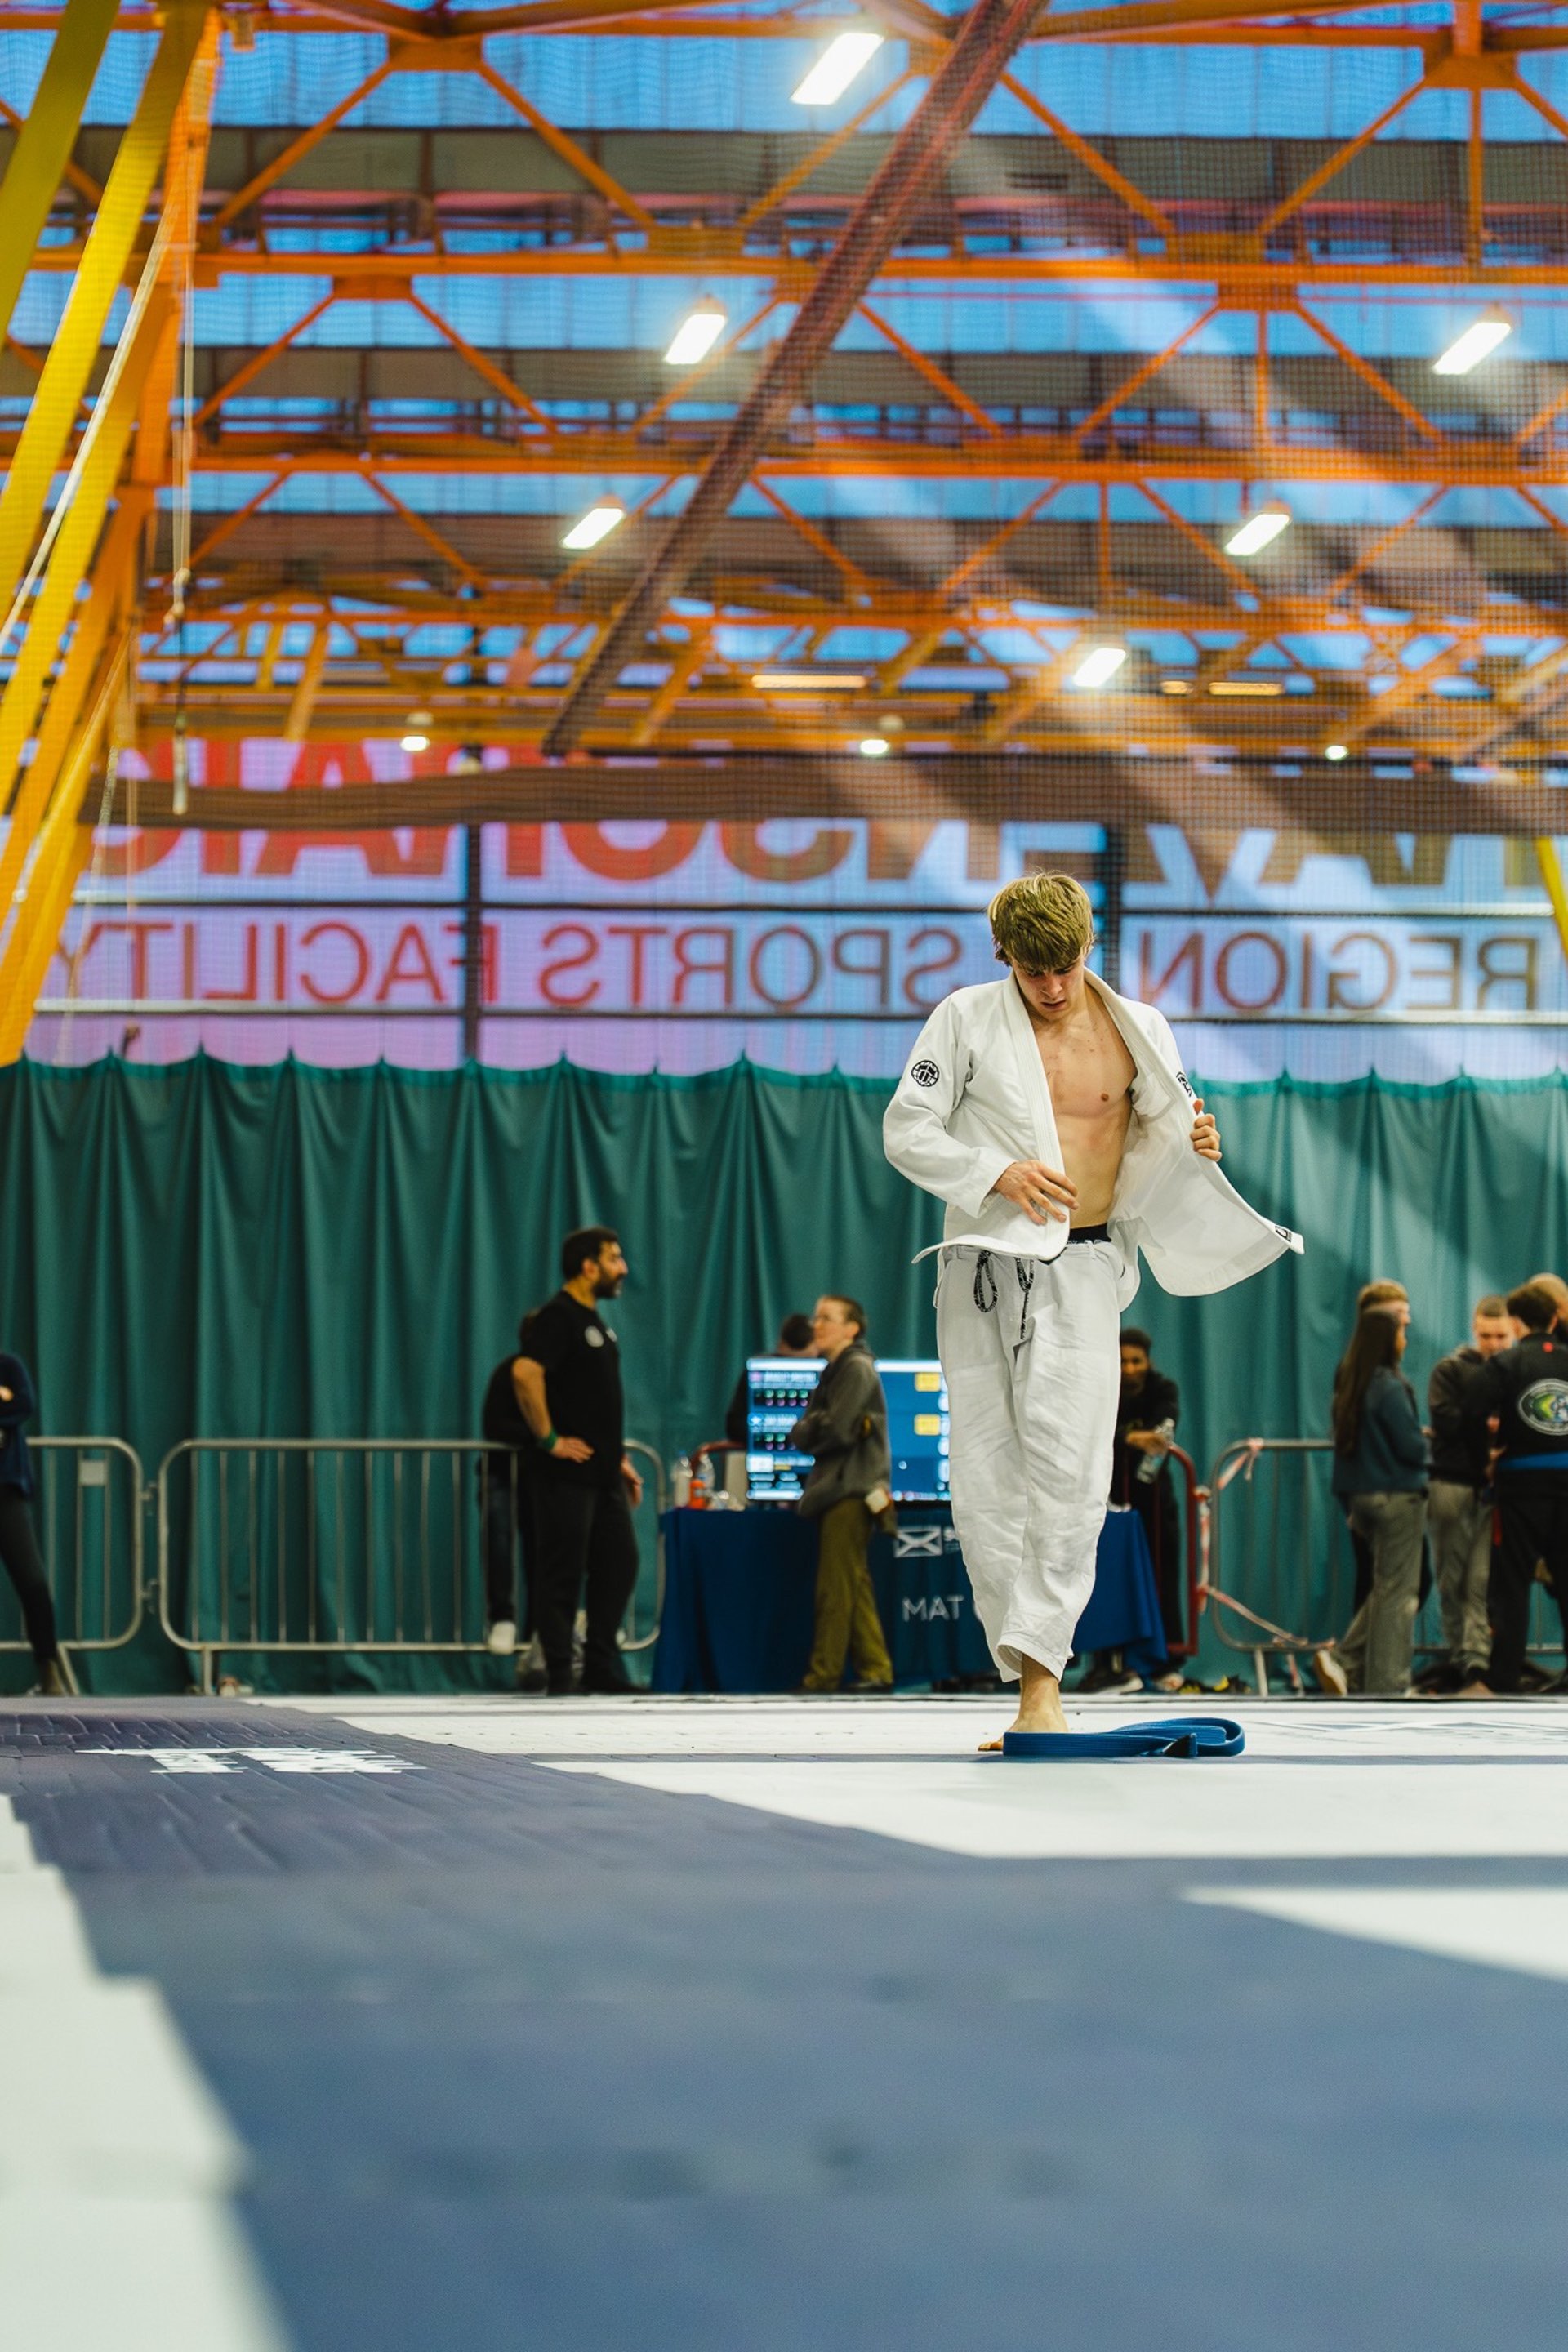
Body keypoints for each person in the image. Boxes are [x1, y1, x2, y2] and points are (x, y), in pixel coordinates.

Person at [883, 871, 1301, 1748]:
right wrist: (994, 1171)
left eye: (1065, 965)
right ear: (1005, 957)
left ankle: (1044, 1684)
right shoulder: (963, 1018)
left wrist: (1197, 1143)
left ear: (1088, 949)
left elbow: (1166, 1127)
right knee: (984, 1473)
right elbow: (907, 1128)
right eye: (1034, 970)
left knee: (1070, 1475)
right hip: (982, 1266)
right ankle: (1022, 1674)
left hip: (1082, 1266)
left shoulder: (1139, 1027)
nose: (1052, 986)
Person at [512, 1227, 644, 1697]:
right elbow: (525, 1372)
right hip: (565, 1474)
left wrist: (620, 1458)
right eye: (615, 1258)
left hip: (603, 1473)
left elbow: (594, 1401)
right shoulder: (559, 1316)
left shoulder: (598, 1322)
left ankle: (600, 1669)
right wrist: (549, 1439)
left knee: (620, 1562)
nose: (623, 1268)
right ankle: (562, 1675)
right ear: (589, 1266)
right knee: (562, 1572)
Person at [1459, 1282, 1568, 1697]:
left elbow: (1471, 1412)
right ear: (1555, 1319)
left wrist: (1482, 1465)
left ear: (1517, 1323)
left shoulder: (1506, 1364)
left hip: (1521, 1488)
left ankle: (1503, 1677)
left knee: (1512, 1585)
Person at [787, 1294, 894, 1695]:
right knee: (853, 1583)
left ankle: (823, 1675)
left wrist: (810, 1426)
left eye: (828, 1318)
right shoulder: (836, 1371)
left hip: (849, 1491)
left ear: (852, 1328)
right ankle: (876, 1668)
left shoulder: (854, 1369)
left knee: (835, 1588)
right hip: (845, 1489)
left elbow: (835, 1431)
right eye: (816, 1317)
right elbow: (823, 1428)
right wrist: (815, 1425)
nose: (817, 1325)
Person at [1324, 1307, 1429, 1695]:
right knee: (1399, 1595)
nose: (1405, 1338)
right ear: (1388, 1339)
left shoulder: (1351, 1383)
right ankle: (1388, 1684)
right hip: (1397, 1496)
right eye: (1401, 1331)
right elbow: (1410, 1447)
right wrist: (1426, 1444)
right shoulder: (1389, 1385)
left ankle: (1345, 1660)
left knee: (1385, 1589)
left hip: (1360, 1499)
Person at [1421, 1294, 1512, 1693]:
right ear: (1475, 1331)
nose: (1493, 1343)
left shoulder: (1511, 1373)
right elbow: (1446, 1419)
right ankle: (1463, 1657)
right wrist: (1487, 1436)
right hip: (1452, 1484)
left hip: (1488, 1491)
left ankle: (1476, 1662)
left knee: (1479, 1581)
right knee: (1451, 1579)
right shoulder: (1451, 1370)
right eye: (1487, 1335)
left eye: (1501, 1336)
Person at [0, 1348, 68, 1696]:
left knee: (32, 1581)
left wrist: (7, 1402)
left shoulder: (8, 1365)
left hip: (6, 1492)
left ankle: (48, 1668)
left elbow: (23, 1404)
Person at [1111, 1325, 1183, 1652]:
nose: (1129, 1370)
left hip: (1155, 1502)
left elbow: (1160, 1437)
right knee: (1110, 1579)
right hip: (1110, 1501)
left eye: (1136, 1362)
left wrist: (1124, 1439)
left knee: (1162, 1577)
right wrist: (1129, 1439)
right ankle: (1111, 1660)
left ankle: (1167, 1656)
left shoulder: (1164, 1389)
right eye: (1123, 1362)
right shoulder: (1104, 1387)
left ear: (1148, 1362)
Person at [478, 1350, 545, 1688]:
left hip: (543, 1480)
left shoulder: (562, 1374)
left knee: (543, 1553)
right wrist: (544, 1438)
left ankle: (538, 1634)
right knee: (499, 1539)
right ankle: (503, 1616)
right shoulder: (510, 1372)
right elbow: (495, 1425)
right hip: (502, 1475)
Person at [724, 1312, 816, 1447]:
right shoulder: (757, 1370)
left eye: (805, 1359)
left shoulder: (828, 1371)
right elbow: (735, 1426)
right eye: (787, 1359)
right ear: (781, 1346)